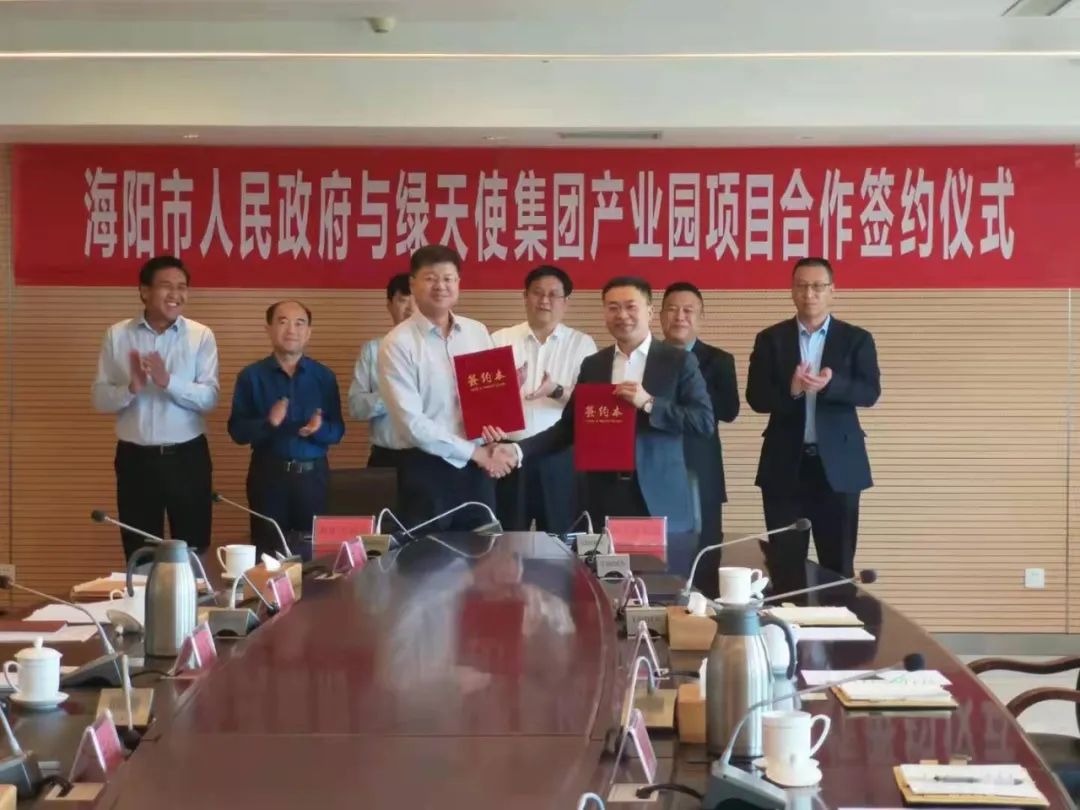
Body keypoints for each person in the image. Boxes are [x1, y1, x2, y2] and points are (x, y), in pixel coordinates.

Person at [487, 277, 714, 574]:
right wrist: (518, 451)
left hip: (656, 497)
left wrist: (649, 402)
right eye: (613, 307)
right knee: (602, 583)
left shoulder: (678, 361)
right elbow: (569, 428)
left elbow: (703, 421)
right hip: (601, 497)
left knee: (657, 587)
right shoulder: (594, 364)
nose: (622, 315)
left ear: (649, 310)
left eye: (631, 307)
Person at [746, 257, 881, 578]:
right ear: (792, 291)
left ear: (832, 291)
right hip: (785, 467)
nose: (810, 294)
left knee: (838, 566)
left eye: (818, 286)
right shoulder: (771, 339)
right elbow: (756, 398)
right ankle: (789, 613)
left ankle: (838, 612)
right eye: (802, 286)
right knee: (785, 566)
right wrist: (792, 390)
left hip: (838, 468)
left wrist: (830, 385)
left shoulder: (856, 339)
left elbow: (869, 392)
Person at [92, 255, 219, 561]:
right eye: (166, 286)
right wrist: (131, 389)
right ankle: (142, 594)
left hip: (187, 458)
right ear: (144, 291)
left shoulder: (201, 335)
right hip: (136, 460)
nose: (176, 294)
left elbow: (210, 399)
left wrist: (168, 381)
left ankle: (192, 594)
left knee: (192, 552)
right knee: (141, 552)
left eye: (182, 287)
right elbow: (99, 398)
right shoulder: (117, 335)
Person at [378, 244, 511, 531]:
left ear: (458, 283)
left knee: (484, 549)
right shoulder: (398, 343)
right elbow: (411, 424)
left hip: (478, 471)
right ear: (413, 284)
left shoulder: (476, 332)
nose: (441, 286)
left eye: (448, 278)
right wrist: (474, 453)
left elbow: (488, 396)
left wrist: (498, 424)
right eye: (430, 278)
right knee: (427, 553)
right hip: (427, 470)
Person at [227, 301, 345, 559]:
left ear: (309, 332)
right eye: (282, 322)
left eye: (299, 323)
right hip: (268, 477)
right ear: (268, 329)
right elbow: (237, 431)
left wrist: (318, 429)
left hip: (313, 479)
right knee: (267, 557)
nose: (291, 329)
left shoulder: (324, 377)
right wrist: (268, 423)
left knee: (316, 558)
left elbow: (337, 430)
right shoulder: (251, 376)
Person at [491, 265, 597, 533]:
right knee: (507, 540)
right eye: (537, 293)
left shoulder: (582, 344)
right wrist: (505, 390)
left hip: (558, 456)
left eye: (553, 294)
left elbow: (589, 406)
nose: (544, 301)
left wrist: (556, 390)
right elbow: (481, 402)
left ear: (566, 301)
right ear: (525, 297)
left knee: (561, 539)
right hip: (508, 456)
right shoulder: (499, 339)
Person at [660, 282, 740, 593]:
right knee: (655, 559)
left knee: (704, 558)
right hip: (655, 471)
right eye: (672, 309)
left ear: (700, 317)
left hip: (701, 471)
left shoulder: (719, 360)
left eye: (688, 310)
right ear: (660, 316)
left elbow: (729, 410)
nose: (680, 316)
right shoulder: (645, 358)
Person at [348, 273, 414, 468]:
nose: (411, 308)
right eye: (403, 300)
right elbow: (356, 407)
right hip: (386, 457)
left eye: (418, 301)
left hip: (432, 459)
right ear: (389, 305)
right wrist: (390, 396)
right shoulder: (373, 350)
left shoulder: (440, 350)